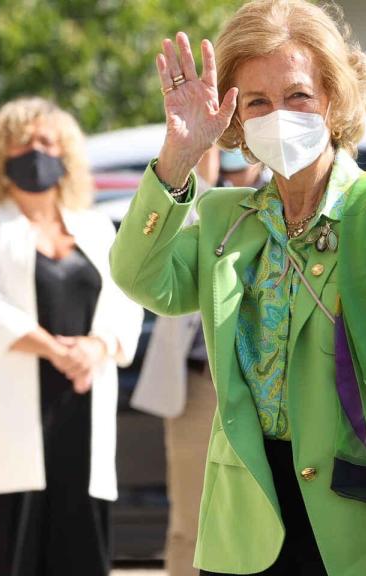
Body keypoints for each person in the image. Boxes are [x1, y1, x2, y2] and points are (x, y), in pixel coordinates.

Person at [110, 1, 366, 574]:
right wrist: (180, 155)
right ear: (237, 119)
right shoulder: (227, 222)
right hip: (247, 525)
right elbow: (138, 277)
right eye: (258, 102)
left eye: (297, 95)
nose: (279, 116)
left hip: (361, 522)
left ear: (333, 98)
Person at [0, 97, 143, 576]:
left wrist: (96, 346)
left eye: (46, 141)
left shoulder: (95, 228)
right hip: (2, 419)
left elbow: (127, 296)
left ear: (66, 154)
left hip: (80, 410)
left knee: (75, 547)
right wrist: (55, 349)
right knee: (0, 552)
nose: (36, 151)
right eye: (22, 142)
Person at [129, 146, 220, 576]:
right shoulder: (200, 201)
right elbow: (153, 253)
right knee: (190, 520)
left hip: (270, 382)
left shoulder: (283, 199)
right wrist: (202, 170)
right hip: (200, 387)